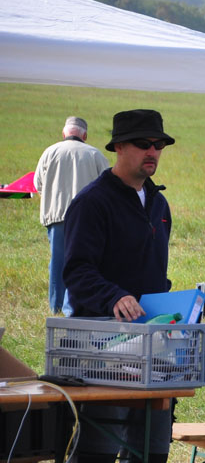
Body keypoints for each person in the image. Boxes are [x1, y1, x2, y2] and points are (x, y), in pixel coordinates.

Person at [61, 109, 177, 463]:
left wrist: (174, 307)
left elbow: (154, 275)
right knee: (98, 449)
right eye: (144, 144)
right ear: (119, 148)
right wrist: (114, 297)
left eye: (159, 145)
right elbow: (76, 272)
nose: (153, 151)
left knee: (151, 449)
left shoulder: (159, 205)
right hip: (101, 344)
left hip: (153, 346)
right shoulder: (92, 202)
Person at [33, 116, 109, 315]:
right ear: (85, 135)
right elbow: (108, 186)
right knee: (86, 263)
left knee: (58, 263)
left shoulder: (49, 152)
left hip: (57, 216)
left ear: (64, 133)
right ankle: (79, 307)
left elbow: (37, 184)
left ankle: (56, 307)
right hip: (87, 219)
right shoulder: (95, 154)